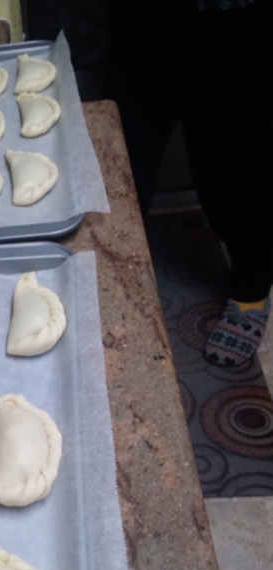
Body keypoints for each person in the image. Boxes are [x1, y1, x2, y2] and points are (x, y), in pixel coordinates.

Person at [109, 0, 273, 366]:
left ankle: (251, 290)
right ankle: (109, 277)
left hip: (237, 11)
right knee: (123, 147)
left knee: (241, 151)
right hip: (143, 14)